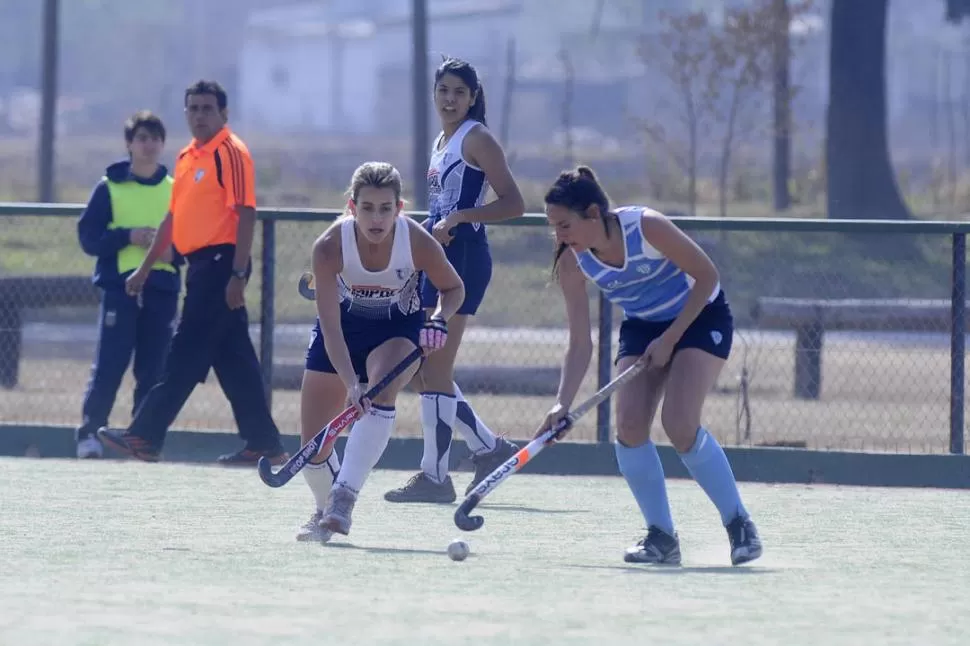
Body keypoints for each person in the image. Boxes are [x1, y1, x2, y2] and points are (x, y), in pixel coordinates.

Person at [537, 166, 762, 566]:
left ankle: (739, 523)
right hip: (643, 327)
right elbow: (580, 342)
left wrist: (672, 338)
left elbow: (708, 276)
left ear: (593, 213)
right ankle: (661, 536)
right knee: (629, 425)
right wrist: (561, 403)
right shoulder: (573, 262)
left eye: (564, 225)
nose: (559, 237)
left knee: (679, 422)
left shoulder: (646, 227)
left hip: (700, 318)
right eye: (553, 227)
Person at [99, 80, 288, 465]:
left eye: (207, 108)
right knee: (234, 359)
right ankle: (264, 443)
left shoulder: (230, 152)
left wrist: (238, 274)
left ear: (224, 113)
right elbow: (172, 218)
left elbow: (246, 212)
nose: (200, 115)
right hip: (199, 266)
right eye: (193, 108)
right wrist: (145, 269)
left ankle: (144, 435)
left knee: (184, 352)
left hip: (223, 264)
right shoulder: (187, 157)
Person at [296, 161, 465, 541]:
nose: (377, 218)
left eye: (385, 208)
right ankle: (324, 509)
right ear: (352, 207)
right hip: (340, 333)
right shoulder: (328, 248)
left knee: (380, 390)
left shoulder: (417, 241)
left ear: (399, 208)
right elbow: (330, 325)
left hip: (395, 331)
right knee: (312, 449)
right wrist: (347, 384)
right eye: (368, 208)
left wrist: (438, 319)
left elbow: (454, 289)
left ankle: (344, 498)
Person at [384, 57, 525, 504]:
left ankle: (436, 477)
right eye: (443, 90)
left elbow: (514, 203)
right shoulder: (444, 139)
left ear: (473, 97)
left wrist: (462, 216)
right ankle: (487, 446)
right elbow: (439, 205)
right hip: (438, 257)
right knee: (423, 369)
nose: (450, 99)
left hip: (463, 258)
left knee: (434, 367)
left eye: (459, 92)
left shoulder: (477, 138)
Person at [75, 110, 180, 459]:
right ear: (129, 144)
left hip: (162, 290)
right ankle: (90, 434)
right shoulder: (109, 188)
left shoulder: (176, 190)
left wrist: (169, 251)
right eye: (141, 138)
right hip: (120, 291)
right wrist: (127, 236)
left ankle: (141, 439)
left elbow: (191, 243)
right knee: (110, 365)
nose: (148, 145)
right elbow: (89, 238)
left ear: (163, 144)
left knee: (153, 369)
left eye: (154, 138)